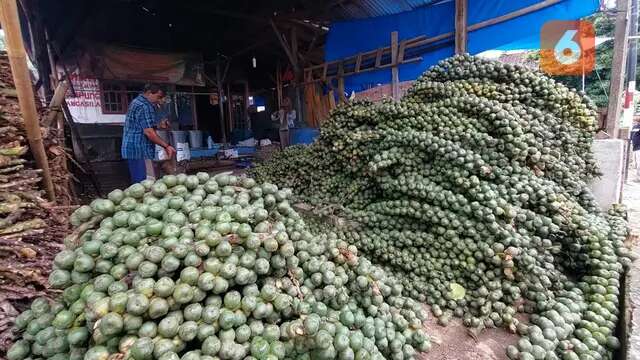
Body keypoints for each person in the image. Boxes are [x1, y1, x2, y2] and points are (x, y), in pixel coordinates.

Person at [121, 83, 176, 183]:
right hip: (139, 150)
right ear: (149, 93)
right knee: (143, 185)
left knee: (141, 185)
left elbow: (141, 125)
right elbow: (149, 133)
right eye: (158, 97)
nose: (158, 100)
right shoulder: (145, 106)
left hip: (133, 149)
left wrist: (158, 126)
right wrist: (166, 146)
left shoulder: (136, 101)